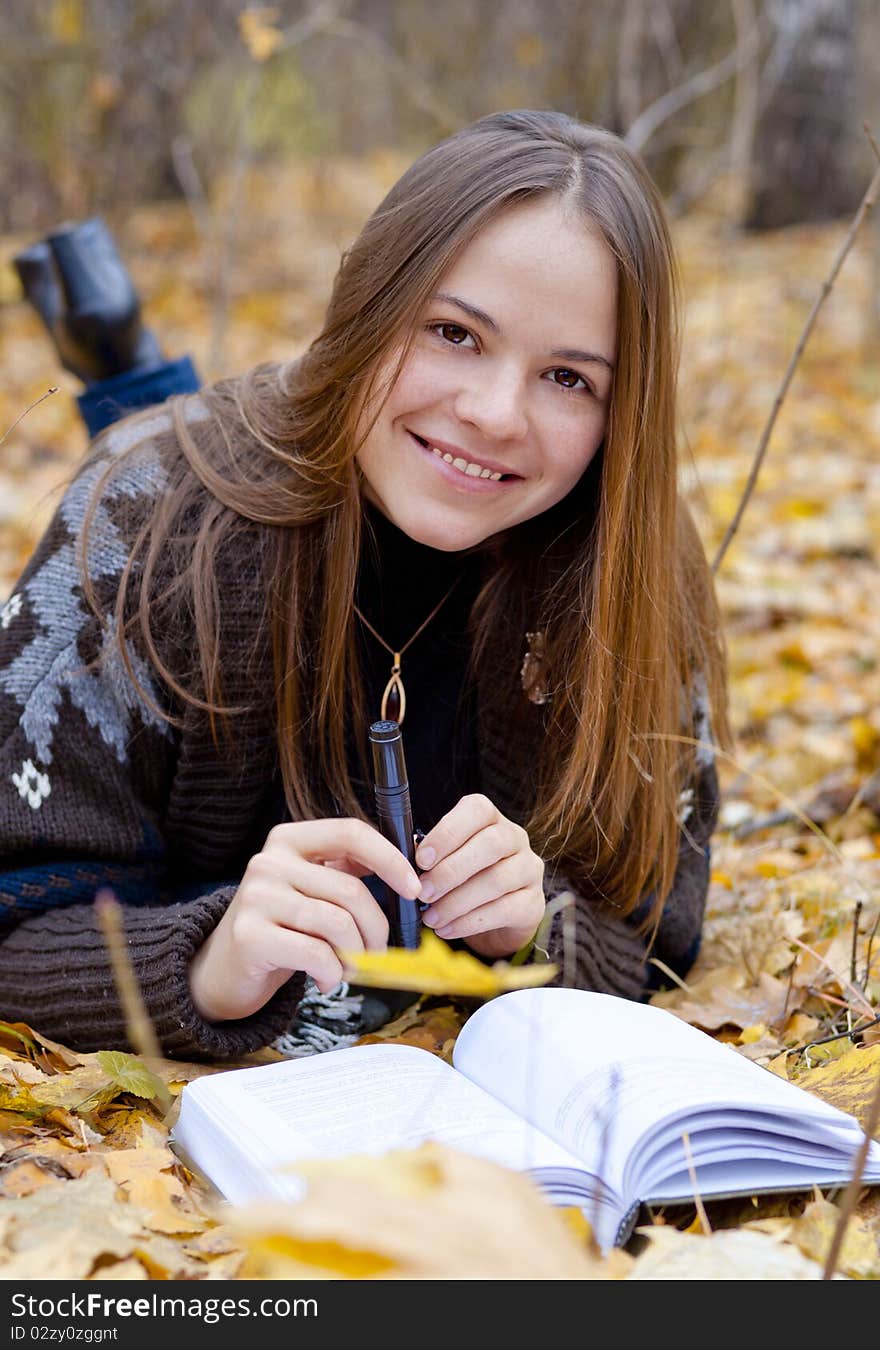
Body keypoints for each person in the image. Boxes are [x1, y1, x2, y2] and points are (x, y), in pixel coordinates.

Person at [0, 109, 729, 1060]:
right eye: (454, 333)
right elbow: (17, 910)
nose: (494, 413)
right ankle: (126, 367)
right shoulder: (139, 524)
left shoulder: (630, 565)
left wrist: (537, 932)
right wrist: (205, 963)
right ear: (370, 303)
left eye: (568, 378)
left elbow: (657, 930)